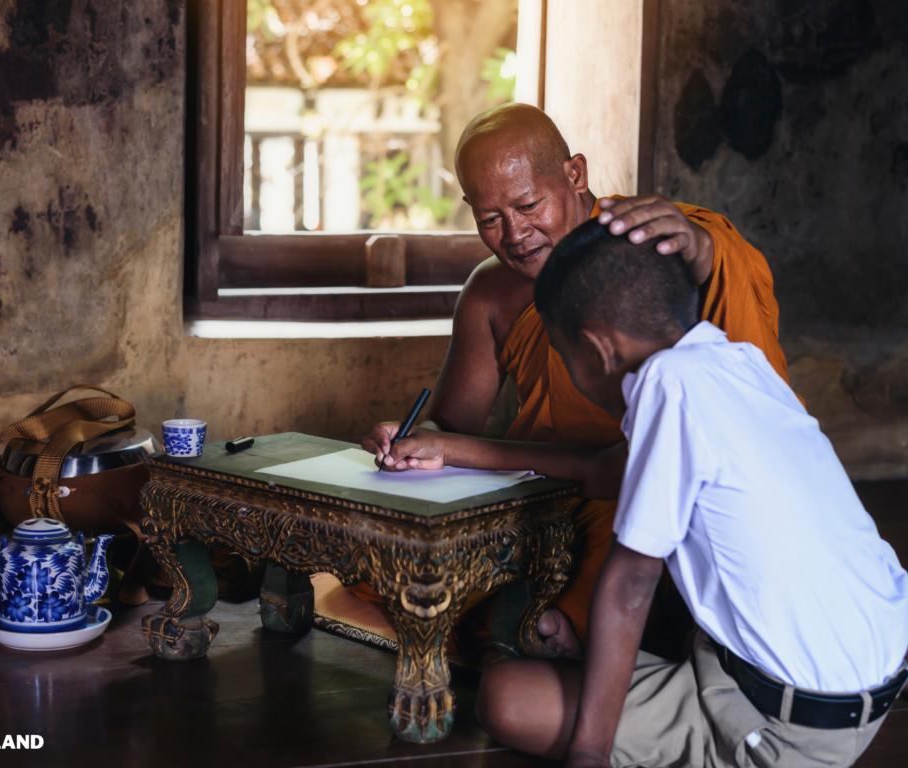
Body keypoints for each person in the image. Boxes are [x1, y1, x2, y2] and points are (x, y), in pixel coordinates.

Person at [394, 219, 908, 767]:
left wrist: (589, 754)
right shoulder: (731, 361)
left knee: (507, 697)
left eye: (567, 361)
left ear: (596, 350)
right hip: (863, 685)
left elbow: (630, 584)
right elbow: (599, 471)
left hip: (787, 731)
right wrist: (449, 449)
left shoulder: (667, 386)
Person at [358, 102, 792, 655]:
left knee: (630, 545)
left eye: (528, 204)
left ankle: (567, 637)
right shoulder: (491, 291)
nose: (514, 234)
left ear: (575, 174)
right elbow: (451, 425)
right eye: (489, 219)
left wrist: (704, 249)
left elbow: (717, 280)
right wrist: (410, 442)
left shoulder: (647, 244)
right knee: (404, 567)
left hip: (636, 482)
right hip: (531, 486)